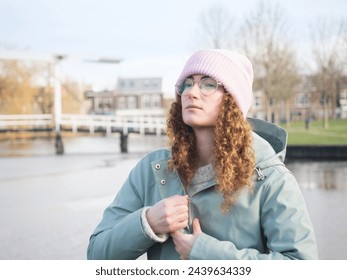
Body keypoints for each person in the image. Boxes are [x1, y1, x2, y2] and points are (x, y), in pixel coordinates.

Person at [87, 49, 318, 260]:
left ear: (232, 100)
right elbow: (96, 255)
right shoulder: (151, 171)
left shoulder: (271, 178)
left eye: (208, 84)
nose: (191, 93)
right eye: (186, 84)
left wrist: (206, 252)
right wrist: (147, 224)